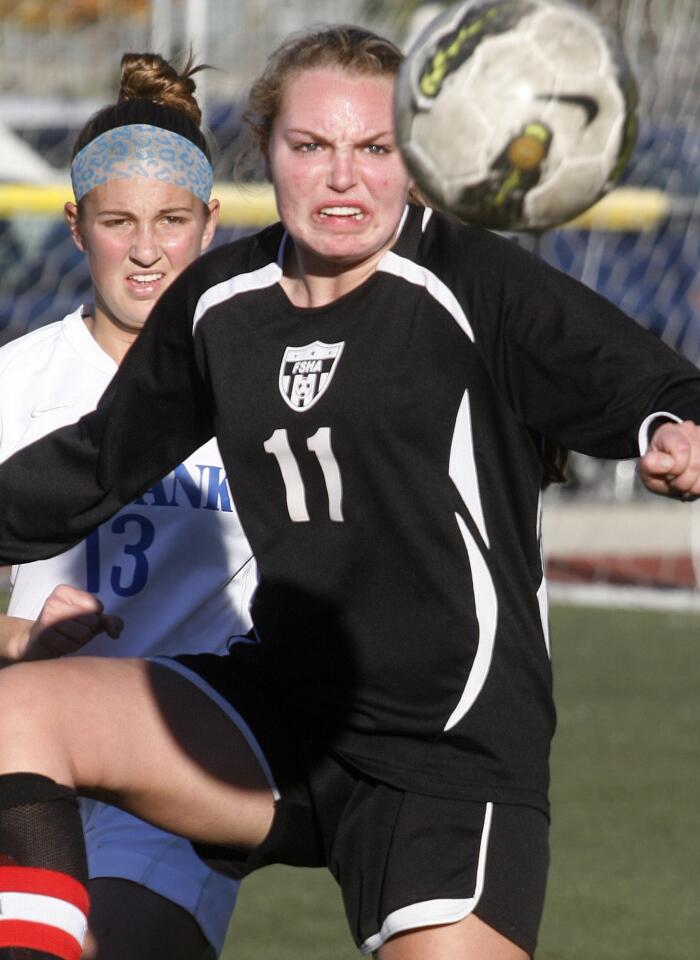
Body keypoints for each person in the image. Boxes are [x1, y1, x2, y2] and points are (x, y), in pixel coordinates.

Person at [0, 23, 699, 960]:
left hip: (447, 758)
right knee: (18, 714)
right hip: (280, 716)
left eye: (374, 149)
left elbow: (655, 388)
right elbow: (90, 466)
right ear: (266, 156)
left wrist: (673, 433)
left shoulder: (471, 283)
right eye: (310, 147)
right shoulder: (221, 302)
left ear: (418, 159)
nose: (343, 177)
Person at [0, 52, 258, 960]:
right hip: (23, 763)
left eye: (171, 221)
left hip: (180, 775)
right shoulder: (17, 384)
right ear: (75, 226)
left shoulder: (262, 389)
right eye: (118, 222)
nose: (146, 249)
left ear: (210, 222)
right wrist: (17, 641)